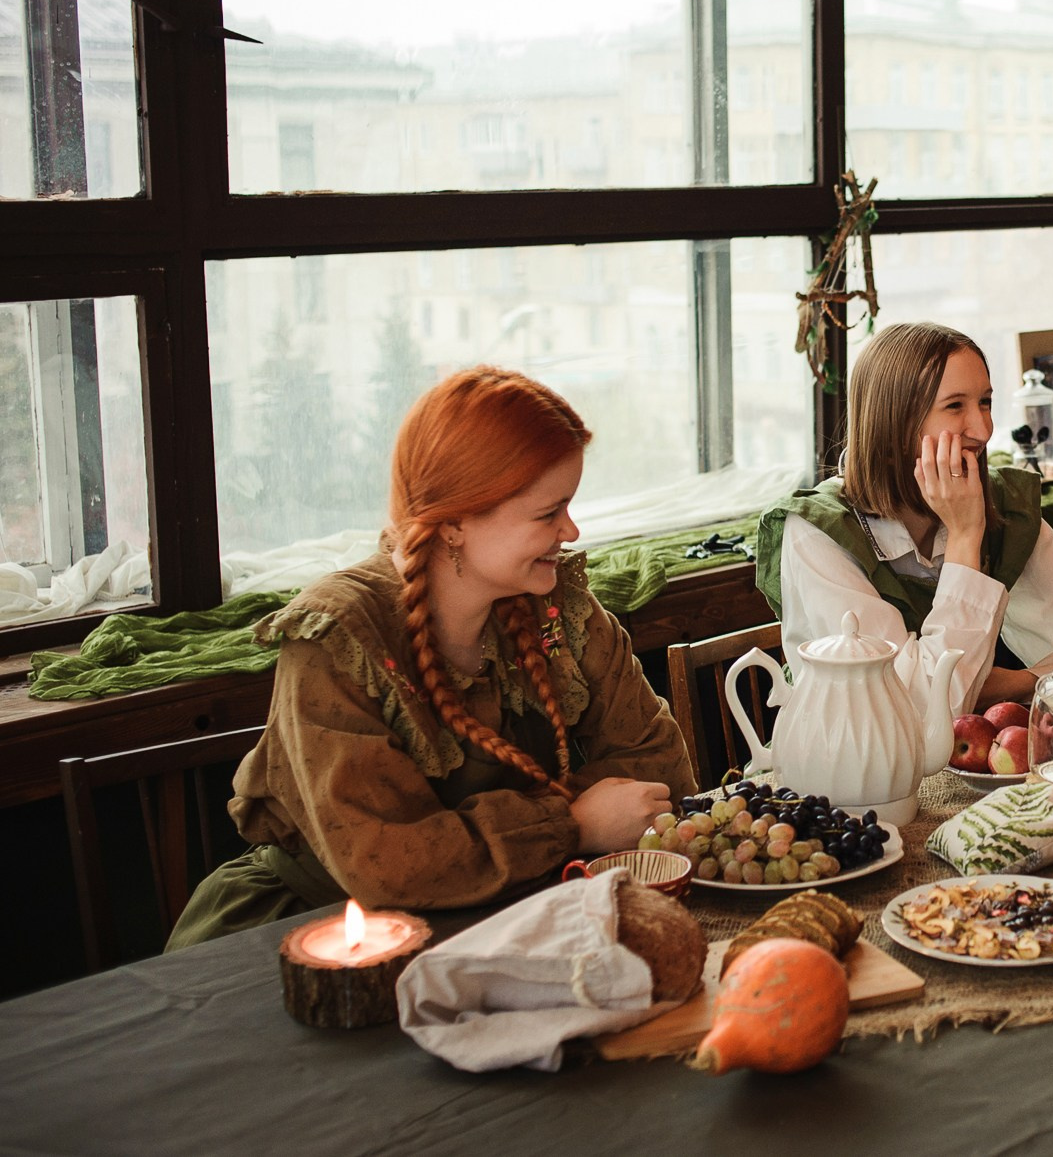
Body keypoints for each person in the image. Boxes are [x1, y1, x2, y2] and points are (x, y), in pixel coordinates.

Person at [170, 367, 697, 946]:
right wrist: (572, 823)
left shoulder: (556, 608)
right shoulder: (338, 641)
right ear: (452, 524)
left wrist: (473, 843)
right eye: (548, 513)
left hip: (507, 913)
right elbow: (389, 866)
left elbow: (660, 768)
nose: (570, 530)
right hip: (309, 933)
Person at [756, 321, 1053, 718]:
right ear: (893, 425)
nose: (983, 429)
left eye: (985, 402)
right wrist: (965, 536)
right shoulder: (817, 533)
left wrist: (1015, 683)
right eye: (955, 406)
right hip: (839, 770)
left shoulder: (1001, 505)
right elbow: (917, 709)